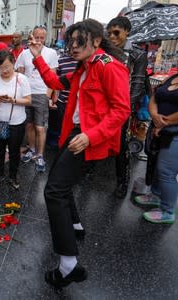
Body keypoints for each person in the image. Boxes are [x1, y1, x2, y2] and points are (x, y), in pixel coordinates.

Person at [28, 19, 130, 287]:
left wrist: (89, 136)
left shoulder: (109, 67)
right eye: (70, 41)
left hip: (88, 139)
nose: (72, 47)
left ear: (96, 41)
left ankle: (68, 264)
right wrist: (37, 57)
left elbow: (122, 110)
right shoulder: (82, 68)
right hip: (74, 135)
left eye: (78, 41)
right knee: (59, 185)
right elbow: (53, 81)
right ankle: (74, 225)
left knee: (54, 190)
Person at [106, 16, 149, 199]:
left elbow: (137, 84)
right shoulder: (106, 50)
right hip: (103, 104)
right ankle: (89, 169)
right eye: (109, 33)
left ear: (127, 31)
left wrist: (124, 109)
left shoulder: (138, 54)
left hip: (122, 107)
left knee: (121, 145)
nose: (112, 37)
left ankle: (122, 182)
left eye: (116, 32)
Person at [134, 73, 178, 223]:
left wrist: (163, 122)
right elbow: (154, 97)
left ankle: (167, 211)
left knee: (167, 171)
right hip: (160, 130)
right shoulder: (172, 77)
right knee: (157, 165)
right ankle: (156, 195)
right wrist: (154, 114)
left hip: (174, 133)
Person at [0, 50, 32, 189]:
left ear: (13, 63)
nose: (4, 70)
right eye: (0, 67)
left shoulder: (21, 79)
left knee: (14, 151)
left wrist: (13, 100)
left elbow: (28, 101)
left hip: (16, 122)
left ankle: (13, 175)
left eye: (7, 66)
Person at [17, 25, 59, 172]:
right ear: (32, 37)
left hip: (42, 93)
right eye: (37, 37)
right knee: (28, 125)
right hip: (27, 94)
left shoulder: (51, 53)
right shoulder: (24, 53)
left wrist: (48, 95)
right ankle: (32, 150)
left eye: (42, 37)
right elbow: (20, 74)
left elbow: (53, 77)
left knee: (40, 127)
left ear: (45, 38)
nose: (39, 40)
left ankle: (40, 155)